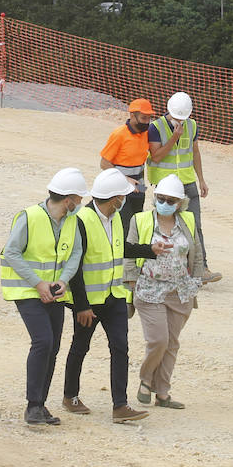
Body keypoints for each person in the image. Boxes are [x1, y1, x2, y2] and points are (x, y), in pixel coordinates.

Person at [61, 168, 169, 424]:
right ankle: (70, 396)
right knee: (80, 347)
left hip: (114, 296)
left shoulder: (118, 217)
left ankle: (120, 406)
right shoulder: (82, 221)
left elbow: (121, 248)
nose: (126, 199)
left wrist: (149, 249)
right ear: (114, 198)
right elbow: (74, 267)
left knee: (121, 348)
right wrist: (81, 306)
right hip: (89, 301)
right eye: (122, 195)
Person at [0, 168, 88, 425]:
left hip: (54, 293)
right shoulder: (30, 217)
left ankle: (40, 404)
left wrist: (62, 281)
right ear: (69, 199)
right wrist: (38, 284)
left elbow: (75, 254)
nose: (81, 203)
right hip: (28, 290)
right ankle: (33, 405)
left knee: (53, 347)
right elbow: (12, 253)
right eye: (79, 199)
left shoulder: (72, 220)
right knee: (43, 342)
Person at [125, 173, 204, 410]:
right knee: (158, 340)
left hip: (180, 292)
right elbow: (129, 251)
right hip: (149, 291)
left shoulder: (187, 221)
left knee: (171, 344)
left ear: (180, 203)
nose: (165, 204)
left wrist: (197, 280)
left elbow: (196, 251)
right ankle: (146, 379)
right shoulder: (140, 220)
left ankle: (162, 392)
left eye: (171, 200)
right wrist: (130, 282)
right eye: (161, 198)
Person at [146, 92, 221, 283]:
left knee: (195, 226)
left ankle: (201, 268)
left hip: (187, 183)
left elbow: (195, 152)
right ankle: (164, 268)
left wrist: (201, 180)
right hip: (166, 188)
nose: (180, 120)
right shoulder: (156, 127)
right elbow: (156, 157)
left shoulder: (192, 125)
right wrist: (173, 137)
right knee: (165, 227)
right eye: (177, 116)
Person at [99, 98, 154, 232]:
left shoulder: (147, 133)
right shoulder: (119, 134)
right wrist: (125, 179)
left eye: (149, 118)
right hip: (119, 187)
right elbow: (104, 163)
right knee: (121, 224)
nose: (147, 121)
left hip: (139, 187)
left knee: (136, 222)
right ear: (132, 115)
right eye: (143, 118)